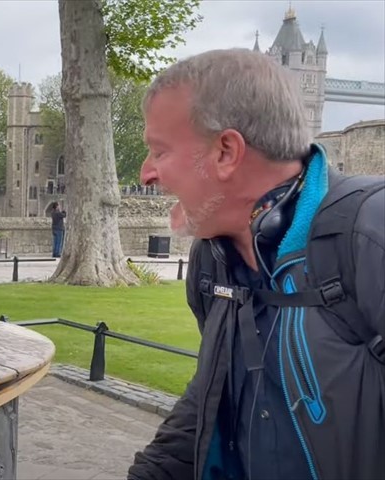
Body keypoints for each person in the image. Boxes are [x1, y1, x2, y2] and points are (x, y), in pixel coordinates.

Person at [128, 49, 384, 480]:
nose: (146, 173)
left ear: (227, 151)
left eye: (159, 151)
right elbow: (211, 396)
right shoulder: (212, 258)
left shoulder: (368, 236)